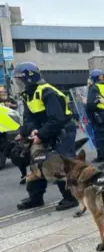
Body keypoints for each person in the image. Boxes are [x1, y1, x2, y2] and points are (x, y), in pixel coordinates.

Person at [12, 62, 80, 211]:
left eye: (20, 80)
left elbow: (57, 119)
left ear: (29, 79)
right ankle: (35, 198)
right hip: (46, 130)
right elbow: (29, 118)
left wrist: (41, 134)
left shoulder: (48, 92)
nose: (19, 84)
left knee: (61, 164)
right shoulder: (28, 94)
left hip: (62, 131)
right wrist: (24, 133)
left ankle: (71, 198)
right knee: (36, 164)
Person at [86, 69, 104, 162]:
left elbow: (90, 105)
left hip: (98, 116)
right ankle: (103, 157)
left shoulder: (94, 87)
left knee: (101, 139)